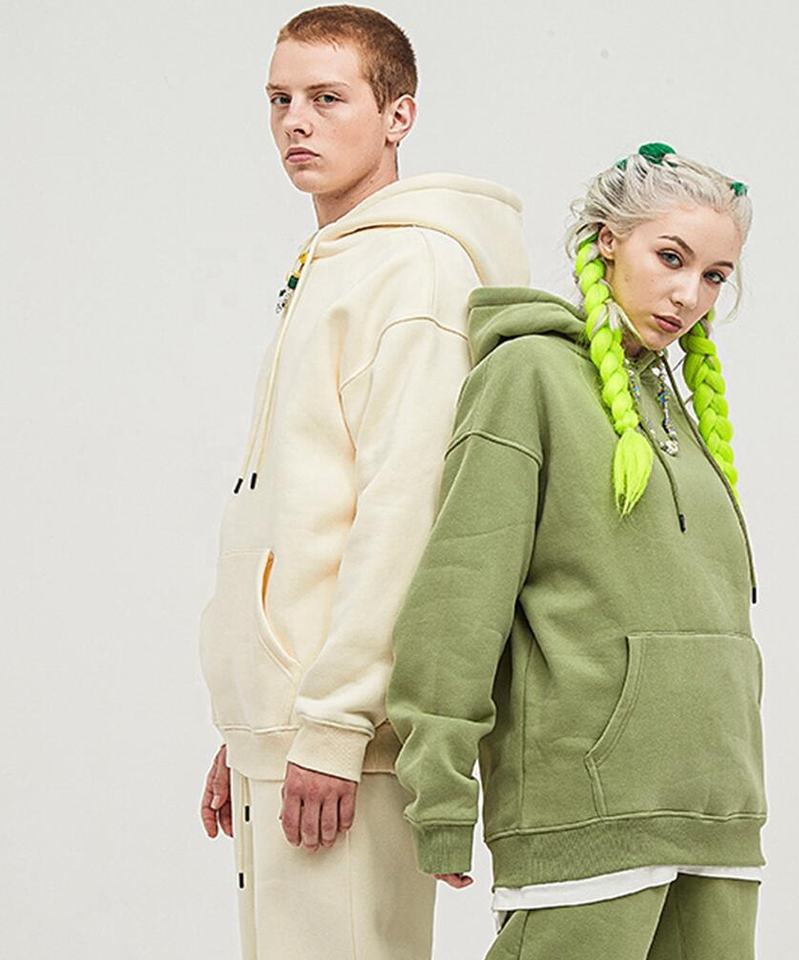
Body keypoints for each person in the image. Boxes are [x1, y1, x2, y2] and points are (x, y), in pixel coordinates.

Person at [195, 6, 529, 958]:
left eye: (327, 98)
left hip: (343, 741)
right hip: (291, 727)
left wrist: (335, 728)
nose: (295, 121)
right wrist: (252, 719)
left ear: (398, 115)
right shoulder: (335, 263)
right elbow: (299, 508)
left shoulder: (413, 269)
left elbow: (405, 513)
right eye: (279, 99)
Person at [386, 142, 767, 958]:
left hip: (716, 812)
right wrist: (441, 790)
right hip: (586, 810)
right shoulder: (528, 374)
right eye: (670, 258)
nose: (688, 295)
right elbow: (462, 589)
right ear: (606, 241)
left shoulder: (672, 404)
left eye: (714, 276)